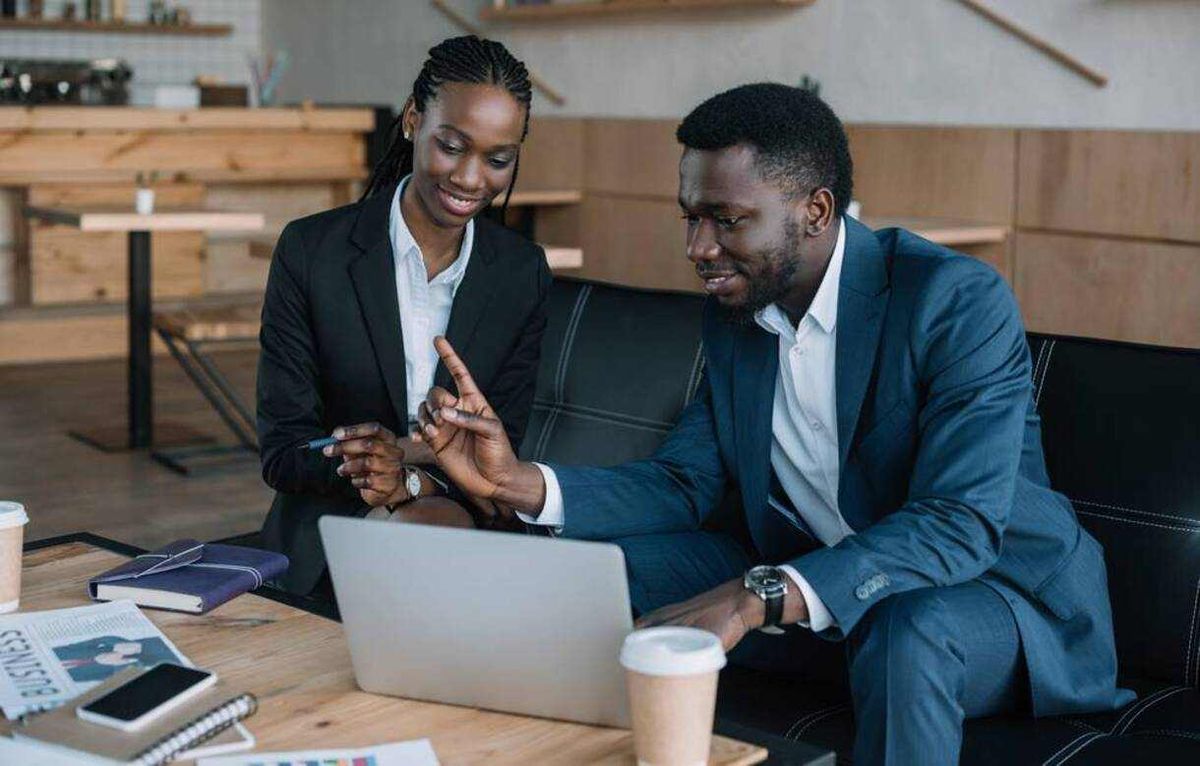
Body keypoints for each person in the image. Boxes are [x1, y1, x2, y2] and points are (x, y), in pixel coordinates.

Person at [413, 83, 1133, 765]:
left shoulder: (952, 301)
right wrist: (515, 482)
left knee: (906, 628)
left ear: (815, 212)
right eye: (690, 217)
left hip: (999, 601)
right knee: (599, 576)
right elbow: (685, 482)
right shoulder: (736, 318)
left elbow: (958, 522)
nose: (697, 247)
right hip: (817, 580)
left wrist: (757, 596)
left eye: (726, 220)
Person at [256, 35, 552, 597]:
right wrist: (376, 467)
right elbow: (284, 450)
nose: (470, 178)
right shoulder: (312, 251)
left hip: (461, 521)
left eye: (497, 159)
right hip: (328, 529)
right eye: (451, 145)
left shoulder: (521, 273)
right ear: (414, 119)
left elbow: (504, 446)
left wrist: (409, 473)